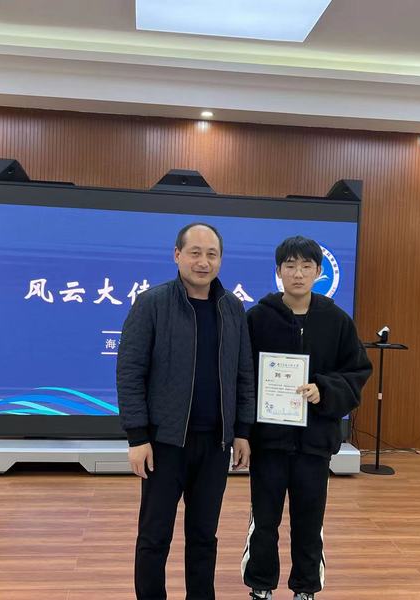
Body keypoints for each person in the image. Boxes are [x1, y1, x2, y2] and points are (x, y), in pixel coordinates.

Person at [117, 222, 255, 600]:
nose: (203, 262)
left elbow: (244, 373)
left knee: (203, 537)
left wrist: (242, 431)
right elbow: (130, 372)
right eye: (195, 253)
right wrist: (137, 437)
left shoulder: (233, 308)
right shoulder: (152, 303)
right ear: (177, 255)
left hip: (215, 445)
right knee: (154, 537)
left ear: (220, 260)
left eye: (211, 254)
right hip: (164, 444)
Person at [242, 236, 373, 600]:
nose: (297, 274)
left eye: (305, 266)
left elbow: (357, 371)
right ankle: (261, 585)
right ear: (279, 271)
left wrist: (324, 390)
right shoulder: (256, 319)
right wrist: (243, 433)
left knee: (309, 522)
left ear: (318, 272)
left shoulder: (337, 320)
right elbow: (242, 377)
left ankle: (305, 588)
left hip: (314, 445)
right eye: (290, 266)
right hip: (268, 443)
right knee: (264, 521)